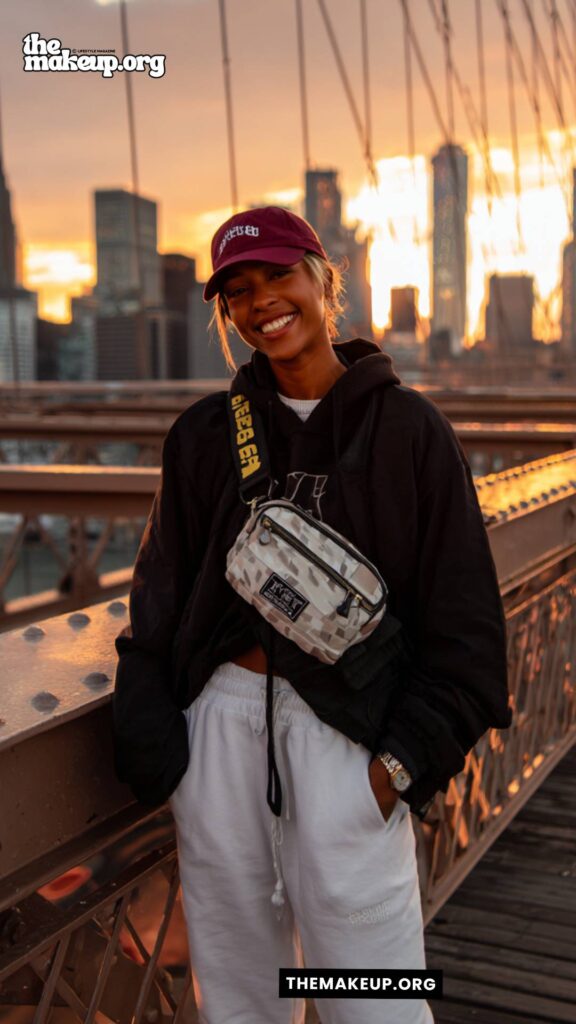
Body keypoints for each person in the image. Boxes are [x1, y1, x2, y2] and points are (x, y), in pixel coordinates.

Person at [113, 206, 511, 1024]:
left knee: (376, 1000)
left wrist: (392, 774)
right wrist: (165, 751)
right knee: (241, 999)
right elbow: (156, 603)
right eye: (238, 291)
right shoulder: (204, 436)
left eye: (279, 276)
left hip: (351, 741)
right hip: (219, 740)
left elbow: (467, 630)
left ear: (325, 280)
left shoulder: (410, 430)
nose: (262, 301)